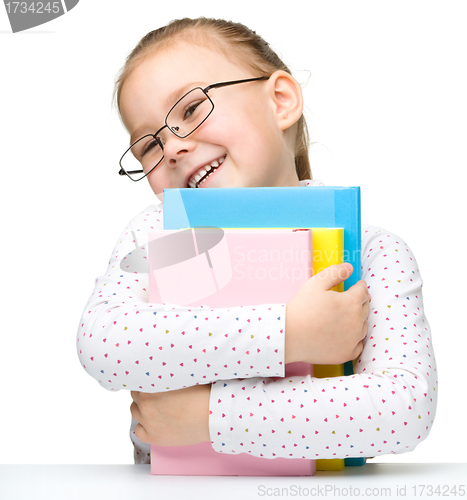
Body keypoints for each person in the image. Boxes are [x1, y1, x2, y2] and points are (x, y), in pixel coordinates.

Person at [77, 17, 437, 465]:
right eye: (148, 146)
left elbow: (404, 409)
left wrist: (208, 418)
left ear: (281, 101)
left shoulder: (373, 251)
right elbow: (103, 343)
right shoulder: (158, 234)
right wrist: (287, 334)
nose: (170, 149)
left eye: (190, 109)